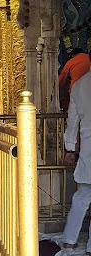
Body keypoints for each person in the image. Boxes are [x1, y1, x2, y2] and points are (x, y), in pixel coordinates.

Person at [57, 51, 91, 256]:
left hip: (88, 149)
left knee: (82, 196)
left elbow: (72, 121)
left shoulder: (80, 85)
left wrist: (70, 148)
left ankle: (69, 241)